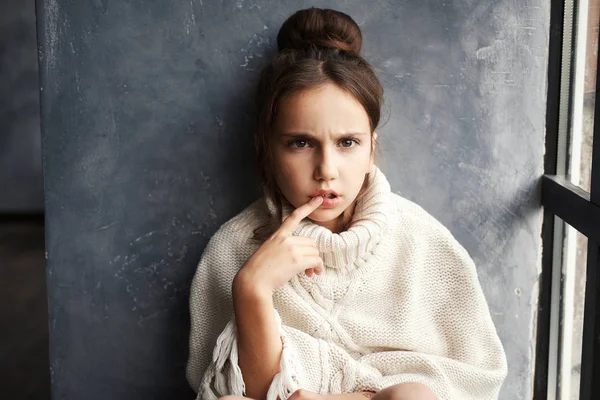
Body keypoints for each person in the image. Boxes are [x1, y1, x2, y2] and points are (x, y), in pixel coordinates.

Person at [186, 7, 507, 400]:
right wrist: (251, 290)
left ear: (372, 148)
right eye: (300, 143)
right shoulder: (232, 251)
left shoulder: (423, 243)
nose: (326, 170)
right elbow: (243, 392)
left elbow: (475, 380)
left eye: (347, 143)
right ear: (266, 150)